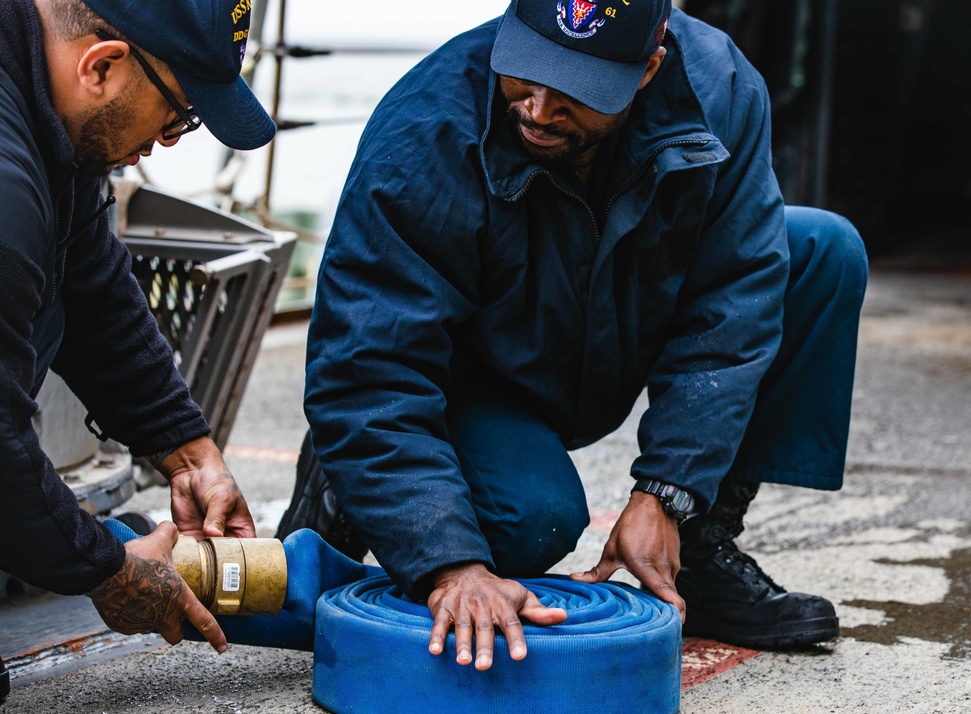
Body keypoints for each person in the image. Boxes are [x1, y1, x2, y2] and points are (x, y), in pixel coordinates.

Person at [294, 0, 868, 671]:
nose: (536, 109)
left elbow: (733, 302)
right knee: (530, 522)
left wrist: (668, 493)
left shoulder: (722, 88)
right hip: (472, 377)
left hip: (614, 335)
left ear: (650, 66)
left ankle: (697, 551)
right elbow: (367, 363)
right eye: (524, 72)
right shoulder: (426, 127)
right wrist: (448, 563)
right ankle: (353, 476)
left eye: (574, 90)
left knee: (819, 251)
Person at [0, 0, 275, 666]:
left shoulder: (49, 118)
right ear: (101, 65)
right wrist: (102, 567)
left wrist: (187, 450)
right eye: (179, 113)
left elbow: (93, 288)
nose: (174, 139)